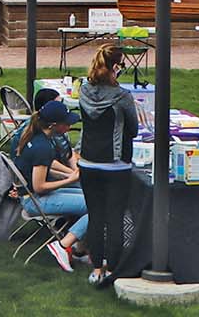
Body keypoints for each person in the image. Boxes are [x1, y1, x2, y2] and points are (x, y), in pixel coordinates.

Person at [77, 45, 146, 288]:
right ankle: (112, 268)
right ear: (116, 67)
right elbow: (134, 129)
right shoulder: (123, 97)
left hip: (88, 161)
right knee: (114, 217)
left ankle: (96, 268)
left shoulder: (83, 91)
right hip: (115, 164)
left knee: (95, 216)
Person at [13, 101, 88, 272]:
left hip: (29, 194)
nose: (69, 126)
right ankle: (63, 246)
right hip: (34, 200)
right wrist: (70, 180)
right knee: (96, 205)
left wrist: (70, 175)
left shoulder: (35, 136)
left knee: (90, 193)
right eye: (67, 123)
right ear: (55, 125)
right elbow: (39, 186)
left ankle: (80, 249)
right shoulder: (43, 147)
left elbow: (43, 173)